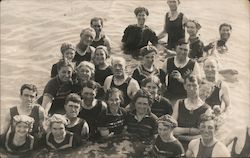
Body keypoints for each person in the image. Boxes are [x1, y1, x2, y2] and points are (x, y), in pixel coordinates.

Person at [172, 75, 209, 150]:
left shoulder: (206, 109)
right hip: (177, 143)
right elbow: (172, 128)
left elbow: (203, 135)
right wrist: (191, 130)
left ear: (199, 86)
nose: (191, 88)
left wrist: (182, 136)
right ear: (184, 86)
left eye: (194, 85)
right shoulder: (179, 103)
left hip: (195, 146)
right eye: (188, 85)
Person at [162, 39, 201, 103]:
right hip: (170, 96)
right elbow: (161, 78)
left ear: (189, 51)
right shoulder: (168, 61)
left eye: (185, 50)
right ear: (175, 49)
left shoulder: (193, 64)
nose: (182, 52)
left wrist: (182, 80)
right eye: (180, 49)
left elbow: (198, 83)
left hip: (185, 98)